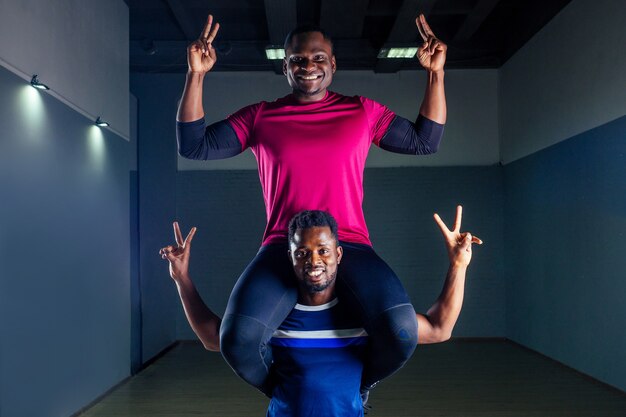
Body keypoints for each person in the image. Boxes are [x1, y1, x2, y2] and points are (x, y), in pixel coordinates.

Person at [175, 12, 448, 396]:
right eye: (297, 60)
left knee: (401, 332)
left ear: (332, 64)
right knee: (237, 340)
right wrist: (196, 74)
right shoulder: (262, 117)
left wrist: (435, 73)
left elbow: (425, 141)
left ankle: (358, 386)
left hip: (349, 244)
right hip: (280, 248)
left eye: (318, 58)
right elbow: (194, 145)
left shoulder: (362, 112)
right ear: (285, 66)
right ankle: (288, 392)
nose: (309, 66)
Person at [159, 207, 482, 416]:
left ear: (339, 255)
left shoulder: (361, 315)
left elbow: (440, 329)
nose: (313, 261)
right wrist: (182, 278)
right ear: (290, 257)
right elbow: (214, 338)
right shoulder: (274, 316)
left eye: (323, 251)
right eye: (302, 252)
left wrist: (458, 265)